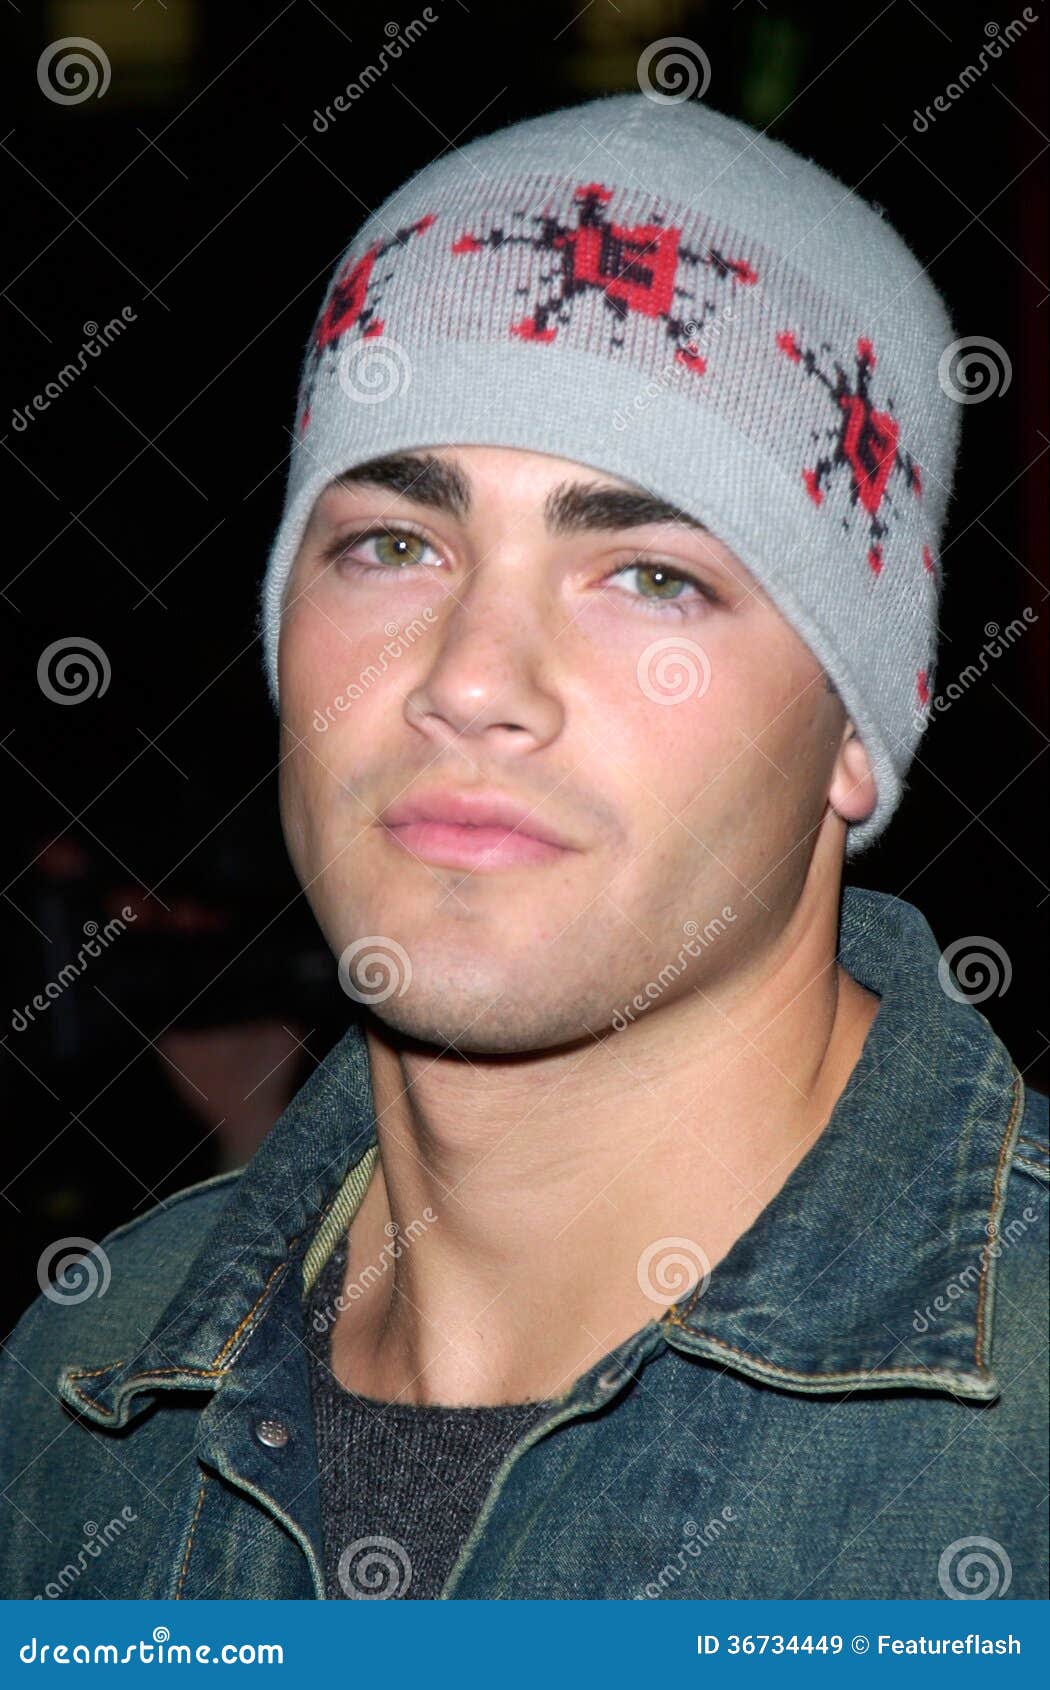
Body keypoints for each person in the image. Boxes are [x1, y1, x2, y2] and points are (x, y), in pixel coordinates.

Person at [1, 92, 1045, 1604]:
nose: (472, 678)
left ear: (853, 726)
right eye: (393, 545)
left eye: (649, 575)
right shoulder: (78, 1393)